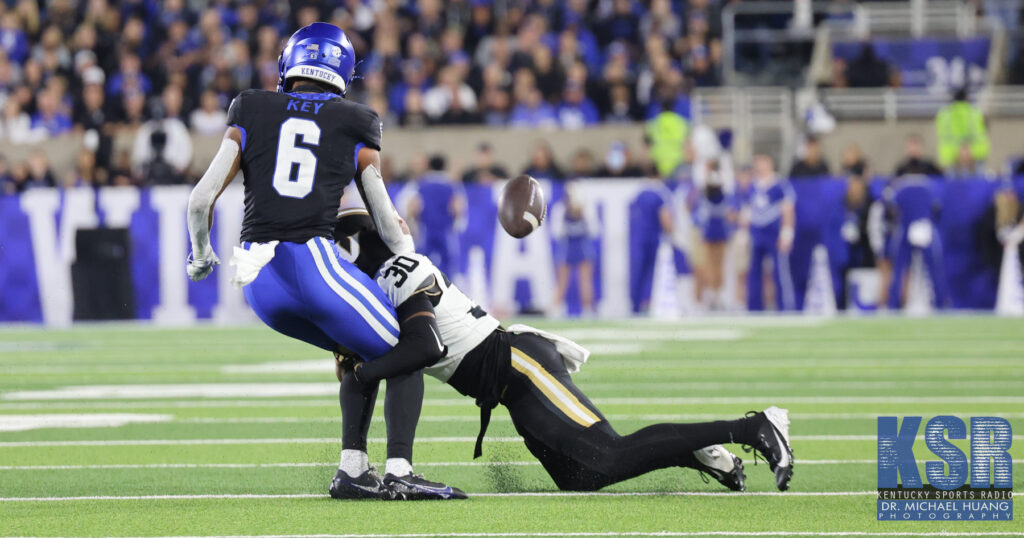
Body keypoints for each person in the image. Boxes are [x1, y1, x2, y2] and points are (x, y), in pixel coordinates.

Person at [184, 22, 462, 501]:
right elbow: (386, 220)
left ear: (289, 65)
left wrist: (202, 256)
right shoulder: (355, 119)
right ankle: (399, 470)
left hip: (258, 282)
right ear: (343, 71)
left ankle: (353, 470)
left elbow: (199, 201)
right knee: (405, 348)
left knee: (358, 348)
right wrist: (408, 256)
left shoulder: (250, 106)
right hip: (313, 264)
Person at [335, 209, 795, 493]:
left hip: (520, 366)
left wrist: (364, 373)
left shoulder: (395, 273)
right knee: (582, 478)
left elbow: (423, 345)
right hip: (509, 383)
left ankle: (754, 426)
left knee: (608, 455)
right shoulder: (377, 282)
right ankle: (694, 452)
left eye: (341, 250)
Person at [743, 154, 796, 311]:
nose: (760, 166)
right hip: (756, 232)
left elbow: (788, 209)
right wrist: (744, 234)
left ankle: (784, 307)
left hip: (774, 231)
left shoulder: (780, 184)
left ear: (770, 163)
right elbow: (747, 210)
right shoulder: (753, 185)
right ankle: (754, 308)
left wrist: (787, 233)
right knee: (754, 272)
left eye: (763, 162)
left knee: (780, 271)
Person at [935, 88, 990, 171]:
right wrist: (970, 151)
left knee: (952, 183)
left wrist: (956, 152)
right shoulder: (975, 113)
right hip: (976, 157)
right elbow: (983, 132)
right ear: (966, 98)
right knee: (978, 183)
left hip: (950, 158)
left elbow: (940, 132)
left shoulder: (944, 115)